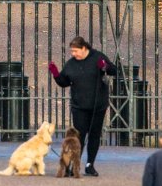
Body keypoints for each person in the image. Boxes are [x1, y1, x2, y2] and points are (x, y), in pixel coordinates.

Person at [49, 35, 117, 177]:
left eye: (75, 51)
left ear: (84, 48)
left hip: (98, 105)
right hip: (79, 106)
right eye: (72, 51)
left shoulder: (97, 57)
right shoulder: (71, 64)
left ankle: (89, 165)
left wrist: (104, 66)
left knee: (94, 136)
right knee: (78, 137)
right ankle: (72, 165)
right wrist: (55, 74)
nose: (73, 54)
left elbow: (114, 71)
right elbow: (64, 82)